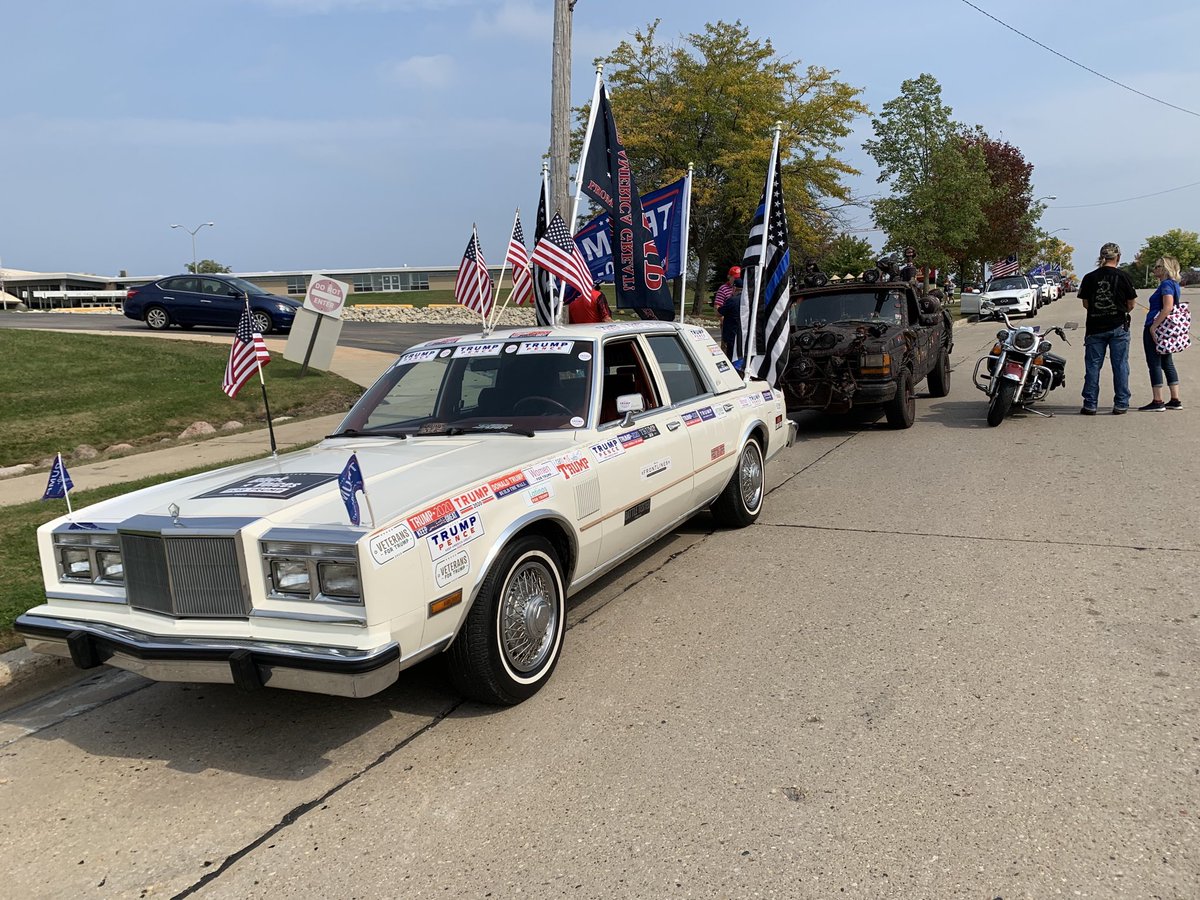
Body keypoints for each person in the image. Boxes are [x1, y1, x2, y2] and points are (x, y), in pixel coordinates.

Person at [1076, 241, 1138, 415]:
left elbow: (1086, 303)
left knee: (1093, 366)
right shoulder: (1123, 276)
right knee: (1120, 365)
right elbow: (1131, 303)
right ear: (1118, 257)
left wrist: (1099, 311)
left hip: (1095, 327)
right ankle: (1121, 403)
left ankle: (1090, 403)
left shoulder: (1089, 277)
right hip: (1118, 326)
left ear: (1101, 256)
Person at [1138, 256, 1184, 411]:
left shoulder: (1166, 285)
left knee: (1154, 363)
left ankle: (1158, 400)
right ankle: (1175, 399)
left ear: (1165, 268)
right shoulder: (1174, 284)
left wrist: (1153, 327)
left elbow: (1168, 306)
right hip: (1167, 329)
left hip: (1157, 326)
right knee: (1167, 362)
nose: (1154, 269)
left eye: (1157, 266)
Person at [718, 276, 743, 358]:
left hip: (732, 334)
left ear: (734, 288)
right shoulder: (749, 300)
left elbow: (720, 312)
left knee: (730, 356)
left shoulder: (732, 300)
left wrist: (718, 307)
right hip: (744, 334)